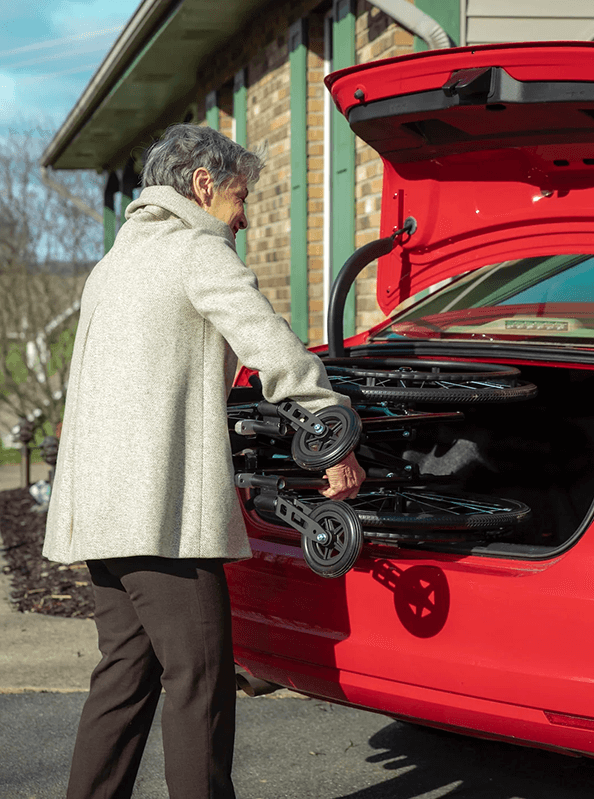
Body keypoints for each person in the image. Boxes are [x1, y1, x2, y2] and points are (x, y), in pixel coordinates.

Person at [42, 123, 365, 799]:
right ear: (202, 186)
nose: (245, 218)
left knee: (125, 679)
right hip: (160, 513)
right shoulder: (196, 252)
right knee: (201, 679)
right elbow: (269, 343)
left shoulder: (113, 264)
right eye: (240, 198)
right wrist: (331, 425)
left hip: (99, 513)